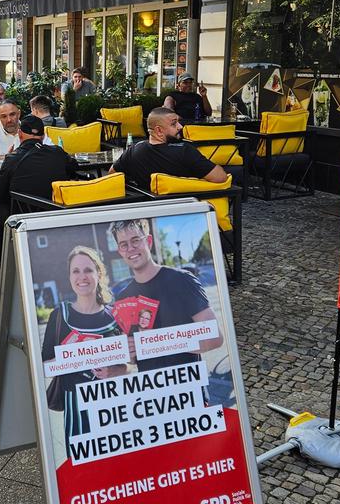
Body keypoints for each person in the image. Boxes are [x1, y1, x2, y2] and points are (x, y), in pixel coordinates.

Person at [41, 246, 126, 454]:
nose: (82, 277)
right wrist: (70, 356)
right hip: (76, 407)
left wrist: (114, 371)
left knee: (116, 465)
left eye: (88, 270)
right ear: (70, 277)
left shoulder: (115, 317)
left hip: (112, 405)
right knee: (83, 470)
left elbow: (129, 365)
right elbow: (43, 366)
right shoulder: (60, 316)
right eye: (75, 271)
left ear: (99, 273)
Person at [109, 218, 223, 371]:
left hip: (189, 388)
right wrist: (129, 354)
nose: (130, 248)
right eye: (124, 244)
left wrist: (158, 342)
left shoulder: (182, 280)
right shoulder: (124, 297)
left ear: (149, 241)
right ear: (120, 251)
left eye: (136, 240)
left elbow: (215, 338)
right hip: (152, 389)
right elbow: (134, 358)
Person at [0, 115, 77, 271]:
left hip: (24, 217)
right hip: (56, 212)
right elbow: (74, 167)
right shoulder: (58, 153)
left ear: (20, 134)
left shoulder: (13, 158)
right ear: (43, 135)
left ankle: (3, 257)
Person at [110, 107, 228, 190]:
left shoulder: (133, 151)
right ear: (159, 130)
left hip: (149, 211)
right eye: (174, 124)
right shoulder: (185, 151)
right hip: (187, 211)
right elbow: (221, 177)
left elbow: (112, 176)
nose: (180, 126)